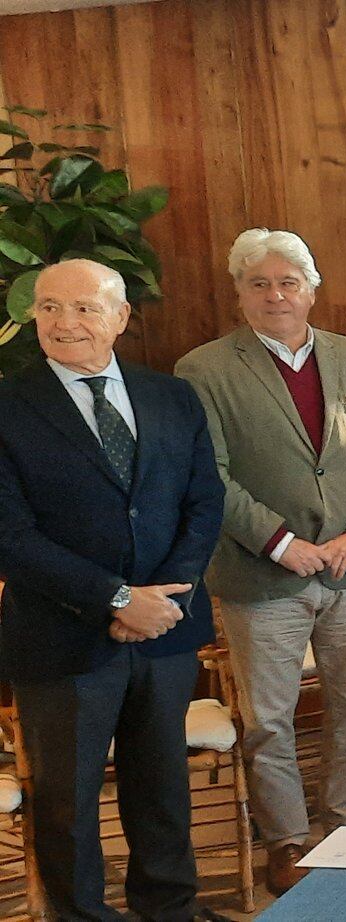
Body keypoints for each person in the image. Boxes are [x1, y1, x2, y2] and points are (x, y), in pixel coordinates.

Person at [177, 228, 346, 892]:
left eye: (289, 282)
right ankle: (286, 839)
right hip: (262, 576)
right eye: (260, 283)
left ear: (312, 290)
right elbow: (208, 474)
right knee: (271, 719)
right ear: (240, 293)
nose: (276, 294)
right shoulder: (205, 369)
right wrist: (282, 542)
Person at [0, 260, 225, 920]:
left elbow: (203, 503)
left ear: (121, 317)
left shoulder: (172, 397)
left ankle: (169, 912)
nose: (64, 322)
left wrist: (166, 601)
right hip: (61, 639)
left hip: (165, 636)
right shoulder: (8, 405)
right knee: (67, 806)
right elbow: (10, 534)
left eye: (84, 308)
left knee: (163, 793)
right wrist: (118, 599)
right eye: (48, 308)